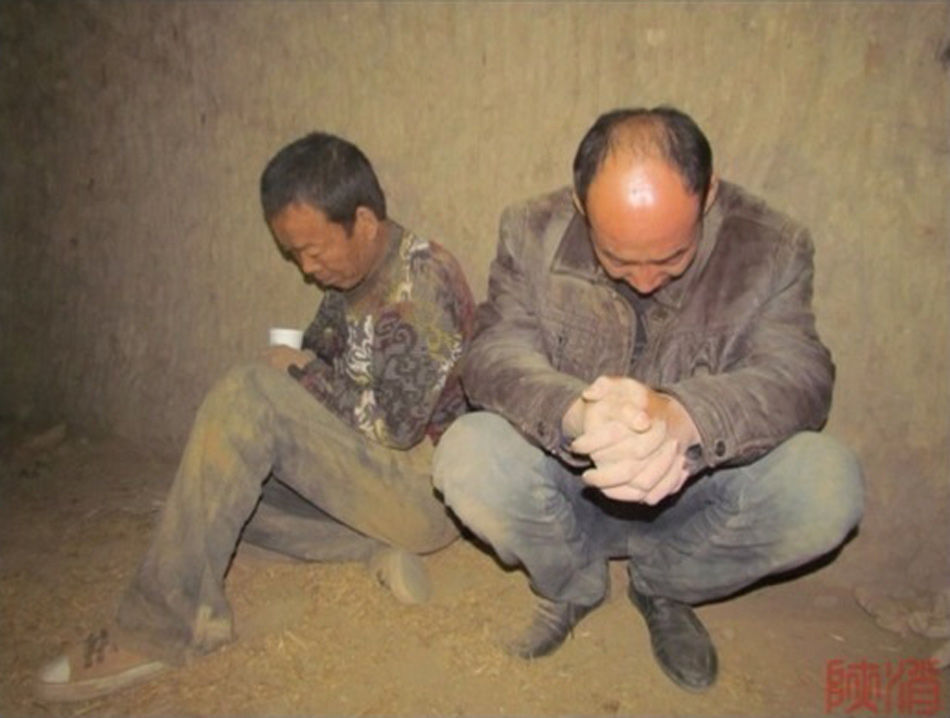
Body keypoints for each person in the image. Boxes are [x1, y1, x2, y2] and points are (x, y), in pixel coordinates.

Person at [433, 107, 864, 693]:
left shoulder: (771, 247)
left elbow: (800, 374)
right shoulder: (531, 230)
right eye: (616, 259)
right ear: (581, 206)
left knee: (827, 485)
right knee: (468, 454)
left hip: (699, 495)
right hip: (569, 486)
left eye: (671, 258)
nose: (642, 280)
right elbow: (492, 352)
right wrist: (575, 411)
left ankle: (663, 585)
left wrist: (686, 417)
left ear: (708, 195)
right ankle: (574, 582)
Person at [35, 131, 475, 702]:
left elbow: (395, 426)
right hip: (370, 482)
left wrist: (298, 375)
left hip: (424, 490)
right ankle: (371, 552)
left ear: (364, 222)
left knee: (249, 398)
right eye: (294, 255)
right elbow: (322, 359)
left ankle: (161, 626)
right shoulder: (347, 279)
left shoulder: (424, 279)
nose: (307, 268)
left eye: (313, 250)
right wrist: (303, 368)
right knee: (214, 495)